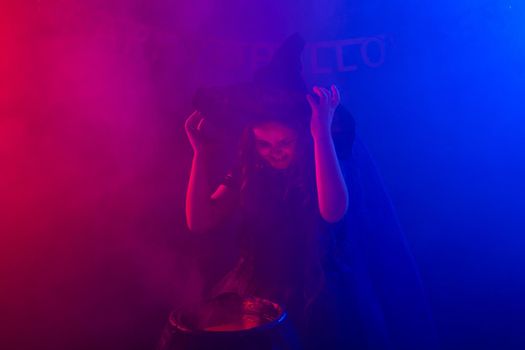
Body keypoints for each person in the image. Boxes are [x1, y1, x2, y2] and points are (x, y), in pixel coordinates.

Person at [181, 34, 438, 350]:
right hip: (260, 292)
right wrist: (200, 154)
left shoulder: (321, 162)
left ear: (300, 139)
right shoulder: (249, 171)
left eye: (284, 143)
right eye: (264, 145)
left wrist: (321, 136)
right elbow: (199, 221)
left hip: (319, 294)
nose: (274, 152)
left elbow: (332, 211)